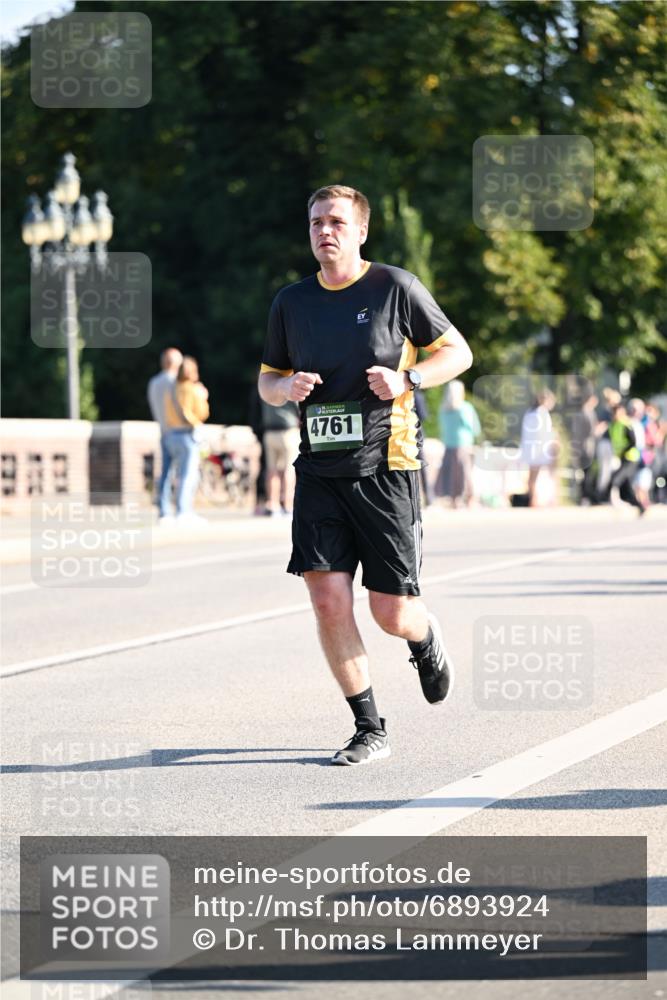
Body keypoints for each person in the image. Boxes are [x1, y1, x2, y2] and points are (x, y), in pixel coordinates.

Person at [258, 184, 473, 766]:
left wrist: (409, 380)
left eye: (334, 221)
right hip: (320, 470)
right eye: (314, 222)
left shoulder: (395, 288)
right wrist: (286, 389)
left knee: (390, 613)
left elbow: (458, 353)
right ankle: (368, 725)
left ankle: (424, 637)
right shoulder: (291, 302)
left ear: (360, 231)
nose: (323, 231)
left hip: (387, 466)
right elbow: (268, 379)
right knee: (328, 599)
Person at [163, 356, 210, 523]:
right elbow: (202, 413)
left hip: (171, 435)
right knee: (188, 475)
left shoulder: (172, 388)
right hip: (186, 435)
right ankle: (184, 511)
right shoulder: (192, 389)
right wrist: (203, 397)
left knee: (172, 475)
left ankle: (169, 510)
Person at [147, 347, 183, 521]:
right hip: (179, 432)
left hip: (163, 431)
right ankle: (182, 510)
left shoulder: (154, 382)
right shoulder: (176, 383)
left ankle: (163, 509)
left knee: (166, 472)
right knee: (185, 473)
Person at [435, 379, 480, 507]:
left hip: (448, 443)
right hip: (463, 443)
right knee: (465, 472)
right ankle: (471, 499)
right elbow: (473, 426)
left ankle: (454, 500)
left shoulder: (443, 408)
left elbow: (441, 427)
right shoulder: (465, 407)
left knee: (451, 473)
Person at [261, 398, 300, 515]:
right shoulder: (289, 382)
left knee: (271, 471)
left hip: (270, 431)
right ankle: (288, 505)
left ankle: (273, 503)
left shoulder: (267, 382)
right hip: (288, 430)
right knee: (289, 470)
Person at [520, 389, 558, 507]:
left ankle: (533, 498)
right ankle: (551, 499)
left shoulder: (529, 412)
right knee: (552, 473)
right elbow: (546, 433)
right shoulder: (542, 412)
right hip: (541, 450)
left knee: (532, 477)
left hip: (530, 449)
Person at [608, 402, 645, 514]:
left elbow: (632, 442)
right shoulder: (613, 425)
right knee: (626, 485)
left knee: (617, 478)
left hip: (631, 457)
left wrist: (623, 452)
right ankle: (639, 506)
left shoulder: (626, 424)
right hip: (622, 457)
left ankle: (614, 499)